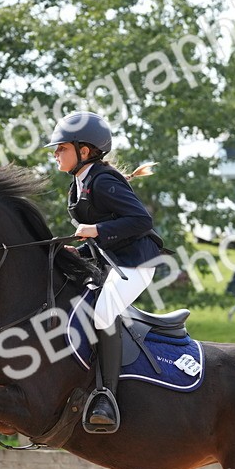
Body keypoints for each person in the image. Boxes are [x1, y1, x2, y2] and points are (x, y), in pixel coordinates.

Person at [46, 111, 164, 434]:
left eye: (61, 148)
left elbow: (141, 222)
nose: (55, 154)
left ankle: (106, 397)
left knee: (103, 314)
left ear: (84, 151)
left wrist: (96, 230)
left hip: (135, 265)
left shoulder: (102, 180)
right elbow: (101, 238)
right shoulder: (78, 184)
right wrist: (79, 250)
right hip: (111, 263)